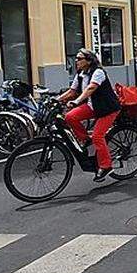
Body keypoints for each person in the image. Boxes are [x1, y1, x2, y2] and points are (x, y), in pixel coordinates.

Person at [56, 48, 120, 182]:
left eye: (79, 58)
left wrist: (77, 101)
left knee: (97, 136)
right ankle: (85, 139)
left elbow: (91, 88)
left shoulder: (98, 72)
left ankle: (106, 166)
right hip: (93, 107)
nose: (76, 61)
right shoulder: (81, 73)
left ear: (89, 61)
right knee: (70, 117)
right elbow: (72, 91)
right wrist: (57, 99)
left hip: (107, 108)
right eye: (76, 58)